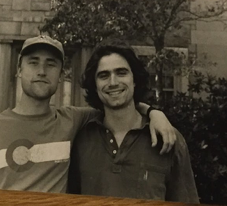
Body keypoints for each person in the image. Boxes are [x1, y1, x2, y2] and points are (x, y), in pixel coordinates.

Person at [0, 35, 179, 193]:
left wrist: (153, 113)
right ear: (18, 70)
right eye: (33, 63)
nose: (42, 71)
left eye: (51, 64)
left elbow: (117, 102)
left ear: (61, 75)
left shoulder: (74, 120)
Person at [68, 42, 199, 203]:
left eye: (121, 73)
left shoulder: (168, 138)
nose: (113, 82)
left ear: (135, 80)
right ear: (94, 86)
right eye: (104, 75)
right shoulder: (81, 139)